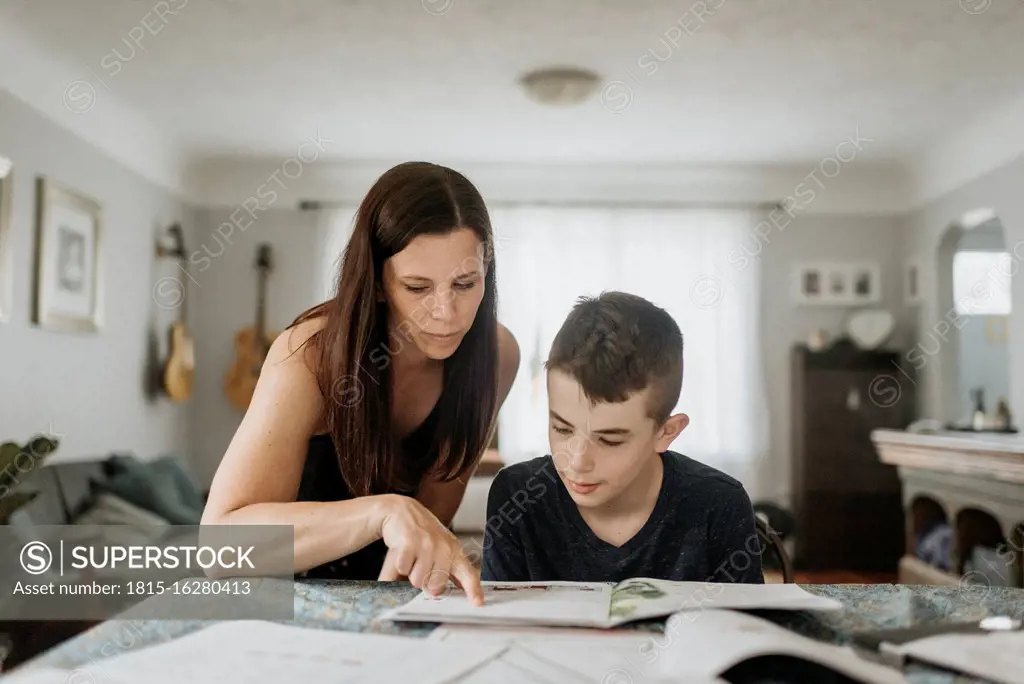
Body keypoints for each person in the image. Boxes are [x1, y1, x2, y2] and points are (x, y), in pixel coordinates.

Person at [202, 161, 521, 605]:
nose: (446, 313)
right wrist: (383, 510)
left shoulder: (497, 355)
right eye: (417, 287)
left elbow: (428, 522)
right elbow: (220, 547)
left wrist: (385, 616)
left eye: (465, 283)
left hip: (383, 600)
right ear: (375, 283)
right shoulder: (309, 355)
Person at [481, 291, 763, 584]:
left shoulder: (719, 504)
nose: (576, 462)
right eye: (562, 429)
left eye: (609, 440)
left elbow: (743, 628)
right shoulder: (517, 497)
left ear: (666, 433)